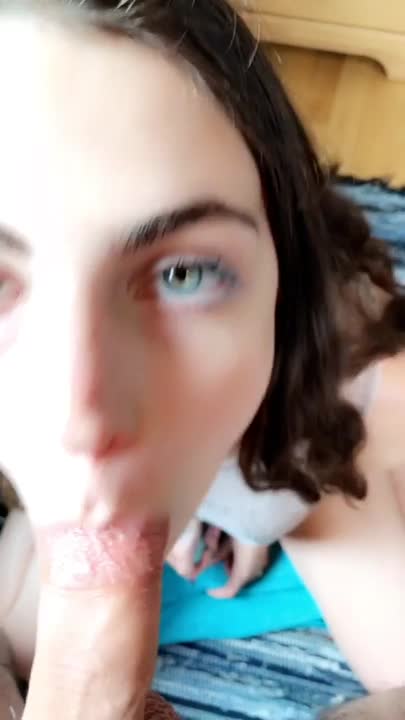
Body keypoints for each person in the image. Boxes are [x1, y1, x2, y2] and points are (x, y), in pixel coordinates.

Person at [0, 0, 404, 716]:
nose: (82, 422)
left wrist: (252, 495)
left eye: (182, 274)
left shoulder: (355, 392)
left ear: (284, 275)